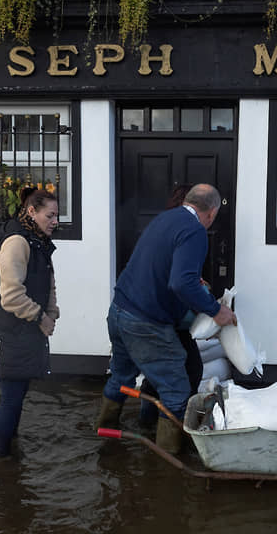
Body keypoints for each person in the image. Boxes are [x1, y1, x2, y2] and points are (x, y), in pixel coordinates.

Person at [94, 183, 237, 453]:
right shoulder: (195, 230)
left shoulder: (166, 217)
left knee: (121, 377)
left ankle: (105, 436)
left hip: (119, 310)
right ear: (213, 212)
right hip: (145, 321)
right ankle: (166, 464)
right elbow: (181, 283)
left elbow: (164, 269)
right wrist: (216, 310)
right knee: (176, 391)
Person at [0, 189, 60, 458]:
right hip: (10, 334)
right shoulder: (17, 242)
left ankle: (11, 451)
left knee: (18, 396)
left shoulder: (38, 239)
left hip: (28, 332)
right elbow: (11, 296)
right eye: (50, 215)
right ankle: (4, 462)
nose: (55, 221)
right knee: (11, 399)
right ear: (31, 212)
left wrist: (52, 311)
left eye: (56, 215)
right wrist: (42, 318)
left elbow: (48, 281)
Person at [139, 184, 206, 427]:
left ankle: (151, 427)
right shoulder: (182, 230)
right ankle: (168, 433)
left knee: (160, 374)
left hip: (161, 314)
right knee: (187, 371)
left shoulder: (164, 227)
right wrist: (211, 307)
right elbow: (176, 280)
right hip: (164, 316)